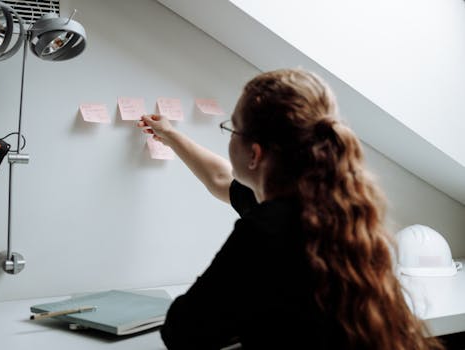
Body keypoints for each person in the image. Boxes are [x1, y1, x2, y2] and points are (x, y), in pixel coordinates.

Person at [137, 68, 443, 350]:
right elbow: (221, 179)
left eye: (233, 129)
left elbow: (183, 332)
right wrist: (170, 135)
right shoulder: (340, 209)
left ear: (254, 154)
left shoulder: (268, 227)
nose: (230, 136)